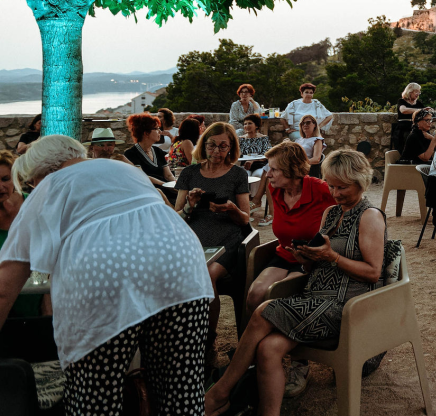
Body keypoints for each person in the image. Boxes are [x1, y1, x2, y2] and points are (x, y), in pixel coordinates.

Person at [0, 136, 213, 415]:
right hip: (181, 264)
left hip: (104, 275)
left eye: (31, 182)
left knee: (96, 395)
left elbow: (7, 282)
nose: (32, 188)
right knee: (181, 389)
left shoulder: (52, 184)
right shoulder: (126, 170)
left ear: (43, 173)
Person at [205, 150, 388, 416]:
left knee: (263, 311)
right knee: (269, 348)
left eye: (343, 187)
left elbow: (372, 273)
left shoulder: (369, 216)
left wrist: (331, 256)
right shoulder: (331, 213)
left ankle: (219, 393)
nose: (335, 194)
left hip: (346, 305)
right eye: (332, 186)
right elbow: (316, 264)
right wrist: (307, 258)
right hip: (316, 297)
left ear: (362, 182)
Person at [243, 141, 336, 398]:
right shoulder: (276, 190)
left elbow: (350, 208)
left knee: (282, 295)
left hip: (312, 259)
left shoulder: (320, 190)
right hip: (286, 254)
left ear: (292, 169)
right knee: (256, 294)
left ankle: (299, 363)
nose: (267, 173)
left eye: (273, 169)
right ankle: (266, 354)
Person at [173, 121, 252, 365]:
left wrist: (231, 209)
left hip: (227, 237)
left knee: (206, 275)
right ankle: (180, 337)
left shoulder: (238, 174)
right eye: (212, 145)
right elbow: (177, 217)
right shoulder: (190, 173)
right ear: (203, 145)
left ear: (231, 148)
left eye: (223, 147)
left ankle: (208, 341)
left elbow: (245, 218)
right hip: (194, 236)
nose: (217, 151)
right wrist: (191, 204)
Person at [0, 150, 46, 318]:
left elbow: (49, 256)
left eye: (5, 179)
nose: (0, 187)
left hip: (35, 301)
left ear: (15, 179)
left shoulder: (33, 206)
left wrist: (47, 305)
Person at [123, 112, 173, 187]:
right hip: (149, 190)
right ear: (146, 133)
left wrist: (177, 185)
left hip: (166, 188)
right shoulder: (131, 154)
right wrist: (165, 185)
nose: (159, 131)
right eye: (156, 129)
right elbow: (142, 176)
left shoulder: (158, 151)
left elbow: (168, 176)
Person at [393, 82, 425, 153]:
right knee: (409, 137)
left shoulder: (419, 103)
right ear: (410, 91)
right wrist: (419, 110)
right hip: (404, 128)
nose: (418, 94)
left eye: (419, 92)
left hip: (417, 127)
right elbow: (403, 110)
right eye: (416, 92)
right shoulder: (402, 101)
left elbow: (424, 112)